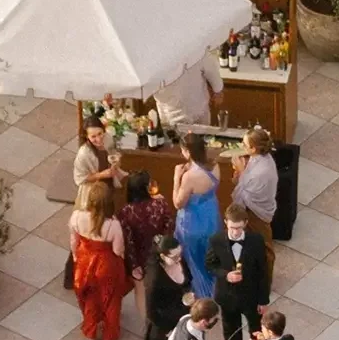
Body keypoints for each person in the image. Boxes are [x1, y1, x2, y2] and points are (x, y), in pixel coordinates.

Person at [205, 204, 270, 340]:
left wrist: (263, 299)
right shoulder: (216, 240)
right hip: (227, 296)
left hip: (251, 295)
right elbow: (210, 265)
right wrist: (226, 275)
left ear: (246, 223)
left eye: (239, 228)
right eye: (232, 227)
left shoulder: (256, 240)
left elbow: (263, 271)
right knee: (231, 332)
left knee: (256, 330)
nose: (235, 232)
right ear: (226, 222)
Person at [69, 180, 129, 340]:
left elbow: (73, 242)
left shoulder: (76, 217)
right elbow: (118, 250)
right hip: (106, 265)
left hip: (84, 262)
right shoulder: (113, 225)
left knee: (89, 298)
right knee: (110, 299)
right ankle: (110, 334)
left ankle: (90, 330)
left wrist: (77, 258)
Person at [118, 171, 174, 322]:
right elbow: (168, 227)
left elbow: (128, 241)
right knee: (162, 286)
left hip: (139, 256)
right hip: (159, 253)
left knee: (141, 291)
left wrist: (134, 264)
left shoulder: (126, 212)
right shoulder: (160, 204)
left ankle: (146, 323)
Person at [173, 135, 221, 299]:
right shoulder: (214, 165)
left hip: (193, 222)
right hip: (211, 215)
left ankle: (204, 295)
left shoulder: (190, 176)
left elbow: (178, 203)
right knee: (211, 254)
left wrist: (176, 178)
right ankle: (216, 288)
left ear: (187, 151)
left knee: (196, 260)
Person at [141, 235, 189, 340]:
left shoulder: (180, 262)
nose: (178, 259)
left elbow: (187, 281)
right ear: (162, 256)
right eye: (174, 257)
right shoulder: (154, 279)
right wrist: (169, 329)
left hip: (182, 318)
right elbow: (151, 312)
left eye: (180, 255)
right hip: (163, 329)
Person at [153, 52, 221, 133]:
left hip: (169, 119)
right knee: (200, 142)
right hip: (197, 116)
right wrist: (217, 91)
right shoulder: (197, 51)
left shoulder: (153, 58)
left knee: (174, 143)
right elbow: (217, 83)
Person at [231, 127, 278, 237]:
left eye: (244, 145)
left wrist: (241, 170)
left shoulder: (262, 171)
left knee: (263, 240)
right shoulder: (259, 156)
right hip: (252, 208)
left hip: (257, 212)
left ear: (253, 149)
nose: (242, 146)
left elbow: (246, 190)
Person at [73, 121, 126, 204]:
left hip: (110, 178)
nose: (98, 139)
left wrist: (116, 162)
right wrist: (102, 175)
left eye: (100, 133)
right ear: (87, 136)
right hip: (93, 187)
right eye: (93, 136)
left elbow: (113, 152)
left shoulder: (107, 138)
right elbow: (80, 179)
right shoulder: (83, 154)